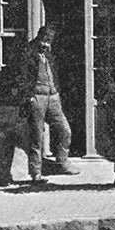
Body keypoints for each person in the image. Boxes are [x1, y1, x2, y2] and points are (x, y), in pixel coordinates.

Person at [19, 25, 79, 183]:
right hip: (37, 97)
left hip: (52, 97)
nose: (45, 45)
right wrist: (28, 97)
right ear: (38, 38)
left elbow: (56, 73)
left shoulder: (50, 54)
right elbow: (21, 77)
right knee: (37, 136)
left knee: (65, 129)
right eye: (44, 41)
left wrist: (57, 92)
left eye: (48, 41)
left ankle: (62, 161)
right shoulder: (27, 52)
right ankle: (36, 173)